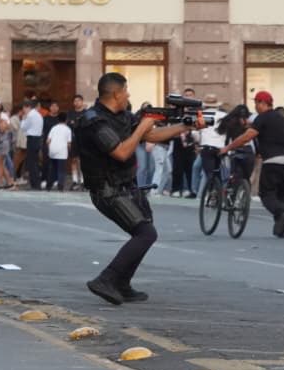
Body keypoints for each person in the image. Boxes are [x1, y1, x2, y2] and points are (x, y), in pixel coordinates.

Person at [77, 72, 206, 305]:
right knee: (146, 233)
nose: (128, 95)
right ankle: (106, 279)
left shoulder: (123, 116)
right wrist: (141, 128)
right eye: (126, 90)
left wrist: (185, 126)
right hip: (107, 189)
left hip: (126, 185)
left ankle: (122, 284)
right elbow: (121, 152)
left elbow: (153, 135)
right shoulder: (94, 121)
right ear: (116, 93)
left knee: (145, 231)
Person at [221, 91, 284, 238]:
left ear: (262, 103)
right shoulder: (281, 117)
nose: (255, 106)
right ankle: (281, 228)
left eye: (256, 103)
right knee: (280, 195)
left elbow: (247, 137)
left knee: (266, 194)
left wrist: (228, 147)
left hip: (272, 160)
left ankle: (280, 213)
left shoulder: (263, 118)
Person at [216, 104, 254, 182]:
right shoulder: (248, 123)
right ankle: (245, 190)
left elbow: (222, 134)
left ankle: (229, 189)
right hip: (247, 149)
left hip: (233, 149)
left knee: (232, 174)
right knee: (246, 177)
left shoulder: (229, 121)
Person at [21, 99, 43, 190]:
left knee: (31, 163)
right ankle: (36, 184)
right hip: (37, 139)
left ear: (28, 107)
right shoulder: (38, 114)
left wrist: (23, 119)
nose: (23, 111)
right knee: (35, 162)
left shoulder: (30, 115)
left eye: (24, 108)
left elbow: (23, 127)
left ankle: (35, 184)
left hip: (32, 139)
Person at [46, 113, 71, 192]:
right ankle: (60, 186)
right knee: (61, 169)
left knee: (52, 168)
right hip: (62, 150)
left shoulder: (54, 128)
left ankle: (49, 186)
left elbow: (48, 141)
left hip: (52, 150)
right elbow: (69, 143)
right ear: (66, 120)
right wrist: (68, 151)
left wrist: (49, 149)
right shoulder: (67, 129)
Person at [67, 94, 86, 189]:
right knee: (73, 160)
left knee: (82, 161)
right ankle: (74, 180)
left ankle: (83, 180)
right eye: (75, 101)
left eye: (79, 100)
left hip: (84, 140)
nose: (77, 102)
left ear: (82, 102)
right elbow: (69, 125)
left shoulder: (86, 113)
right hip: (73, 139)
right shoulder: (70, 113)